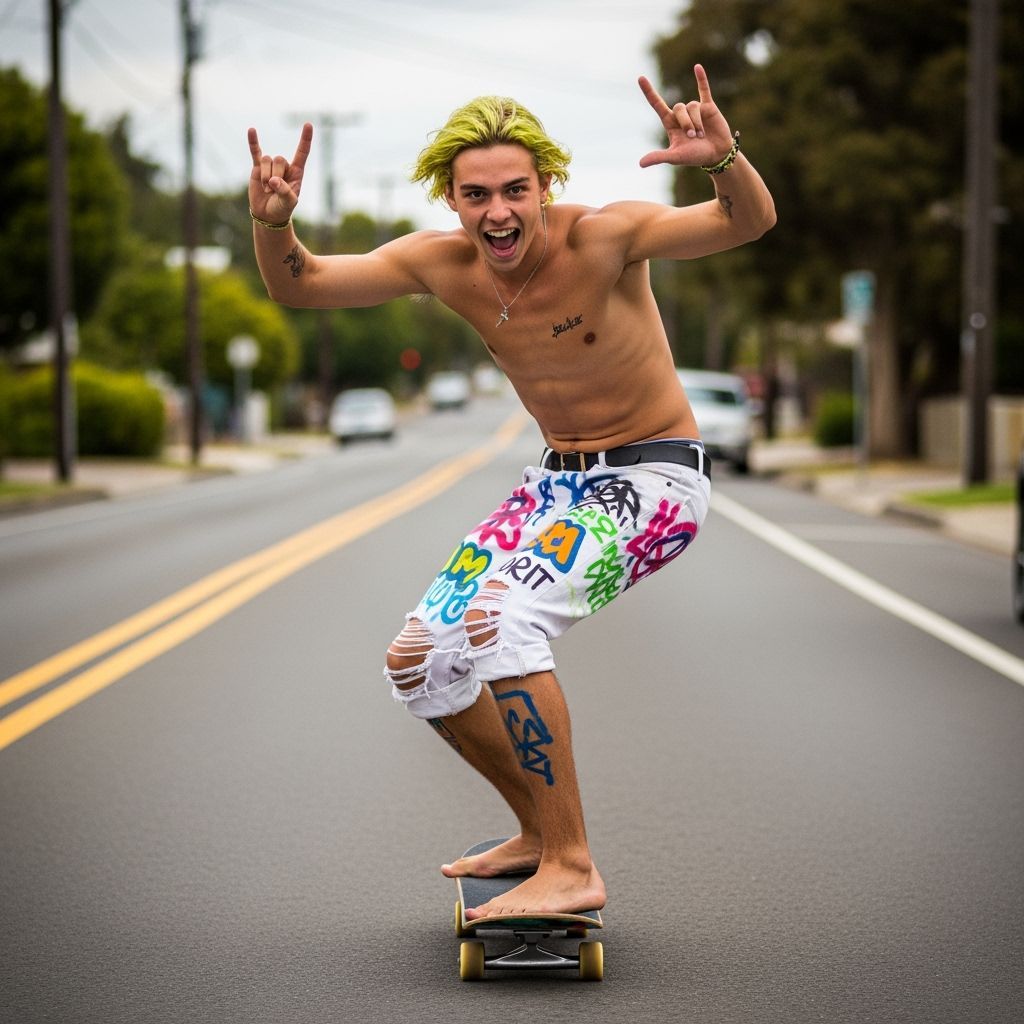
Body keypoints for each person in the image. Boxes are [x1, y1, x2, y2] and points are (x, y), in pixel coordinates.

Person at [248, 65, 775, 920]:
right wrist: (273, 225)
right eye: (476, 194)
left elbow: (746, 222)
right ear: (450, 200)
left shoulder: (606, 237)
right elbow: (296, 283)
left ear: (545, 186)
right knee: (419, 661)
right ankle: (537, 830)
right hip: (553, 486)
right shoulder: (442, 263)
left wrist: (723, 161)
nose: (498, 212)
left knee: (503, 619)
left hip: (656, 477)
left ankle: (572, 862)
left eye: (516, 190)